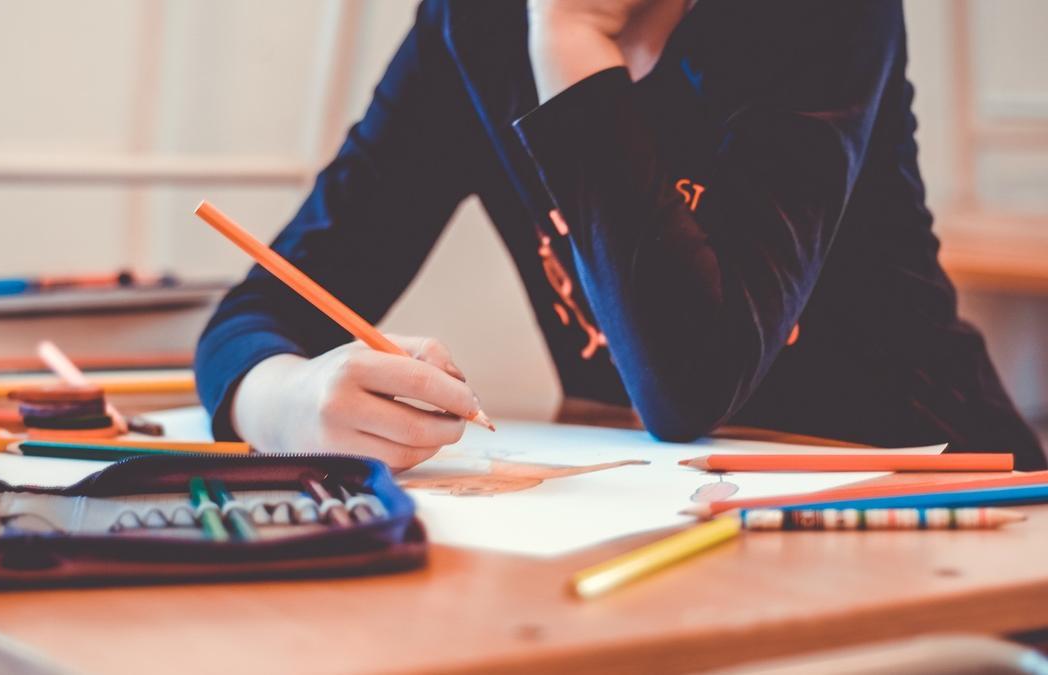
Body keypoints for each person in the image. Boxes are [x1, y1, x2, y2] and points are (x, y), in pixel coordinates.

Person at [196, 0, 1048, 471]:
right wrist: (284, 401)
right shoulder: (472, 28)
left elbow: (690, 386)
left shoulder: (815, 20)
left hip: (926, 491)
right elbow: (263, 306)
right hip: (664, 512)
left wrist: (567, 42)